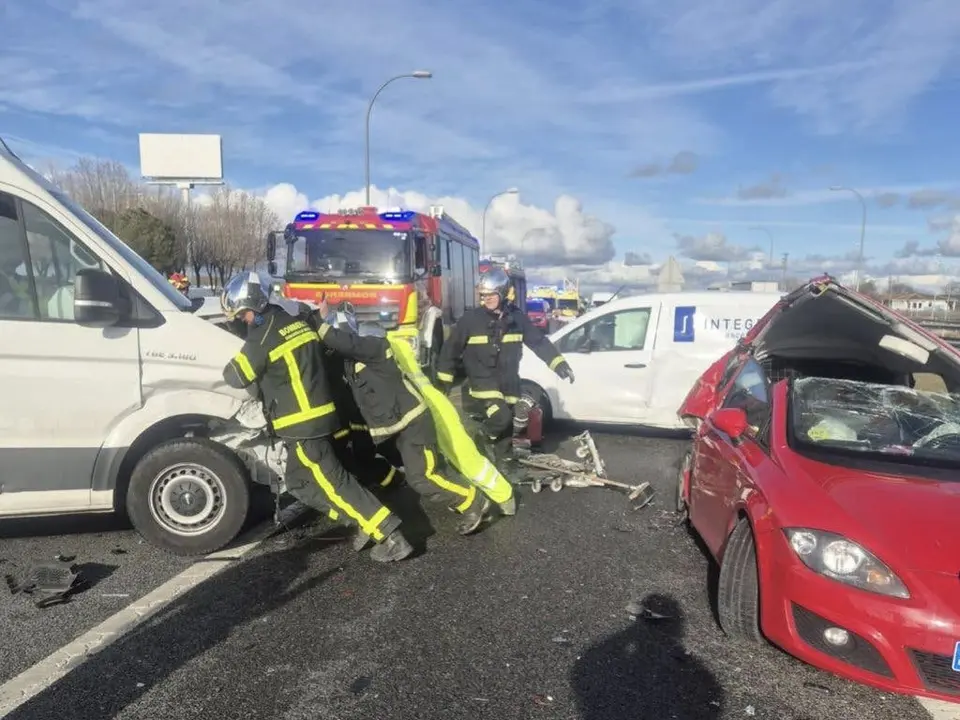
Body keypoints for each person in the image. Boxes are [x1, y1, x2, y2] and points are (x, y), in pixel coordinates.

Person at [219, 271, 414, 562]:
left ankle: (388, 533)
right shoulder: (292, 322)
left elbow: (234, 376)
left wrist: (236, 341)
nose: (239, 321)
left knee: (336, 483)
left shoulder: (261, 338)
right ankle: (359, 519)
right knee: (298, 482)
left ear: (249, 310)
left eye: (239, 315)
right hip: (320, 417)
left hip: (302, 425)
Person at [315, 298, 493, 540]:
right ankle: (465, 500)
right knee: (424, 473)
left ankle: (472, 500)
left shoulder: (376, 348)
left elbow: (345, 342)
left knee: (423, 478)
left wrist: (316, 321)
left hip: (414, 425)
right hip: (396, 430)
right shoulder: (349, 363)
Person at [435, 267, 575, 477]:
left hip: (509, 385)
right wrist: (442, 382)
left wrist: (559, 364)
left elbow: (538, 342)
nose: (486, 300)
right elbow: (450, 351)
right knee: (501, 418)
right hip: (482, 386)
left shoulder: (517, 319)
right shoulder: (470, 320)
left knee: (508, 429)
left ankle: (504, 463)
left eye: (490, 295)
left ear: (503, 293)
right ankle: (477, 439)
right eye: (483, 295)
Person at [296, 301, 404, 496]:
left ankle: (391, 480)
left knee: (362, 456)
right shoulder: (327, 358)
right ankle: (389, 479)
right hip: (343, 419)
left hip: (357, 418)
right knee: (354, 458)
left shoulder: (354, 355)